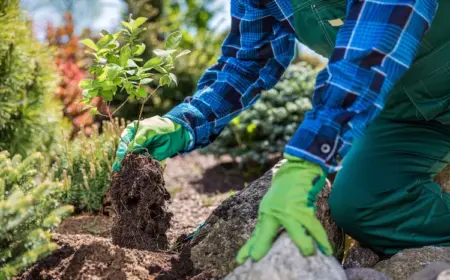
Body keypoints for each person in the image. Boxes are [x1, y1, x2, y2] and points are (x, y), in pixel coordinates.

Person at [112, 0, 450, 264]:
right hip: (406, 116)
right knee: (360, 204)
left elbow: (371, 51)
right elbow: (249, 59)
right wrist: (185, 121)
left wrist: (308, 158)